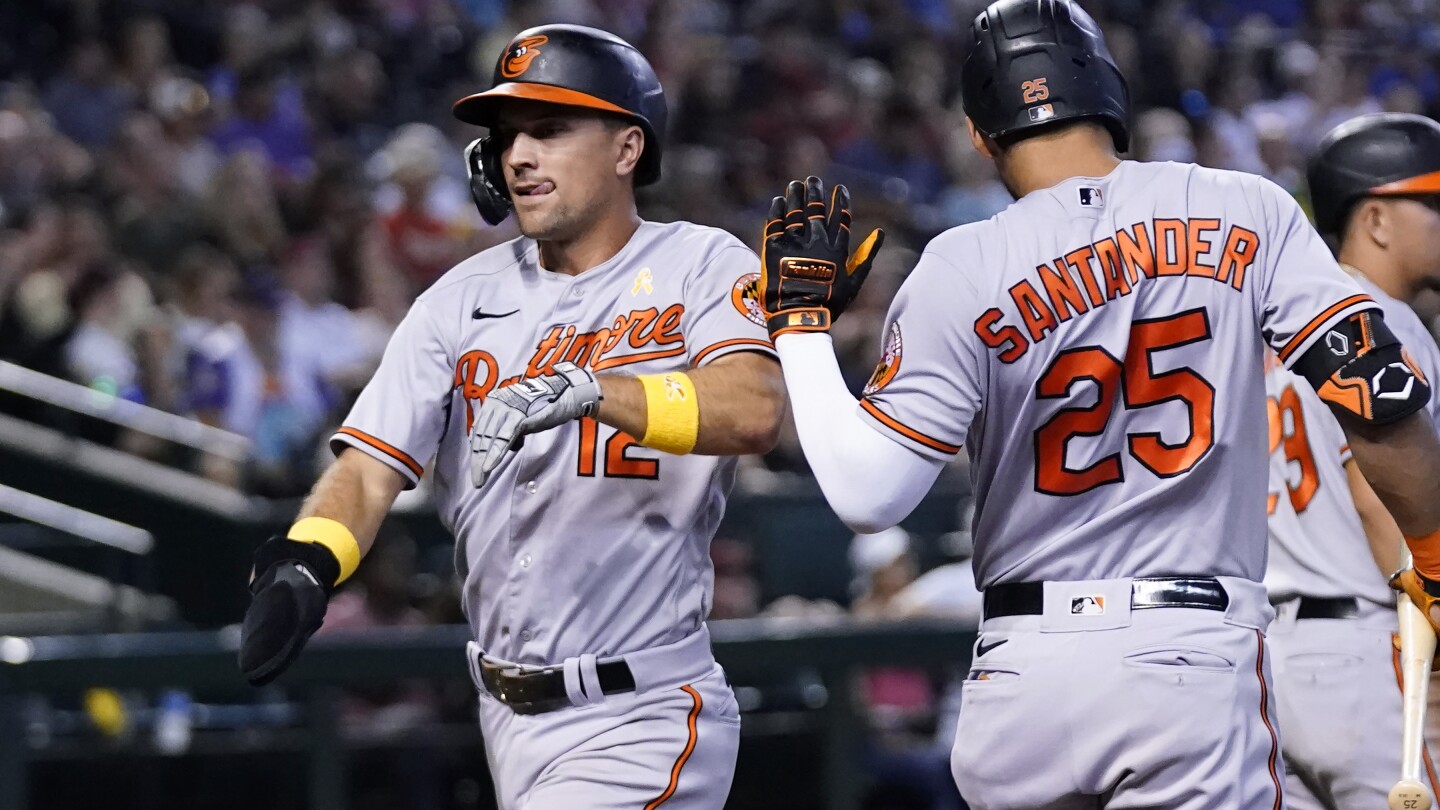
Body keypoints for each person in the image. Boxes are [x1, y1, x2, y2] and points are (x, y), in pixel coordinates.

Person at [758, 1, 1440, 807]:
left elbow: (868, 495)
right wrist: (1430, 554)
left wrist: (800, 332)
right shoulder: (1240, 205)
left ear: (979, 134)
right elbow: (1377, 391)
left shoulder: (958, 265)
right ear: (1109, 93)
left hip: (1020, 671)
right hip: (1187, 652)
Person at [236, 24, 785, 810]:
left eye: (551, 129)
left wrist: (597, 389)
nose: (519, 155)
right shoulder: (459, 300)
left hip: (645, 709)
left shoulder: (699, 263)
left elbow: (752, 409)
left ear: (628, 148)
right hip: (502, 713)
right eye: (507, 136)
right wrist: (308, 559)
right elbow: (368, 465)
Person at [1265, 112, 1440, 809]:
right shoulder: (1376, 322)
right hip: (1372, 651)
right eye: (1432, 202)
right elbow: (1378, 493)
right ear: (1375, 218)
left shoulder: (1283, 323)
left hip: (1273, 664)